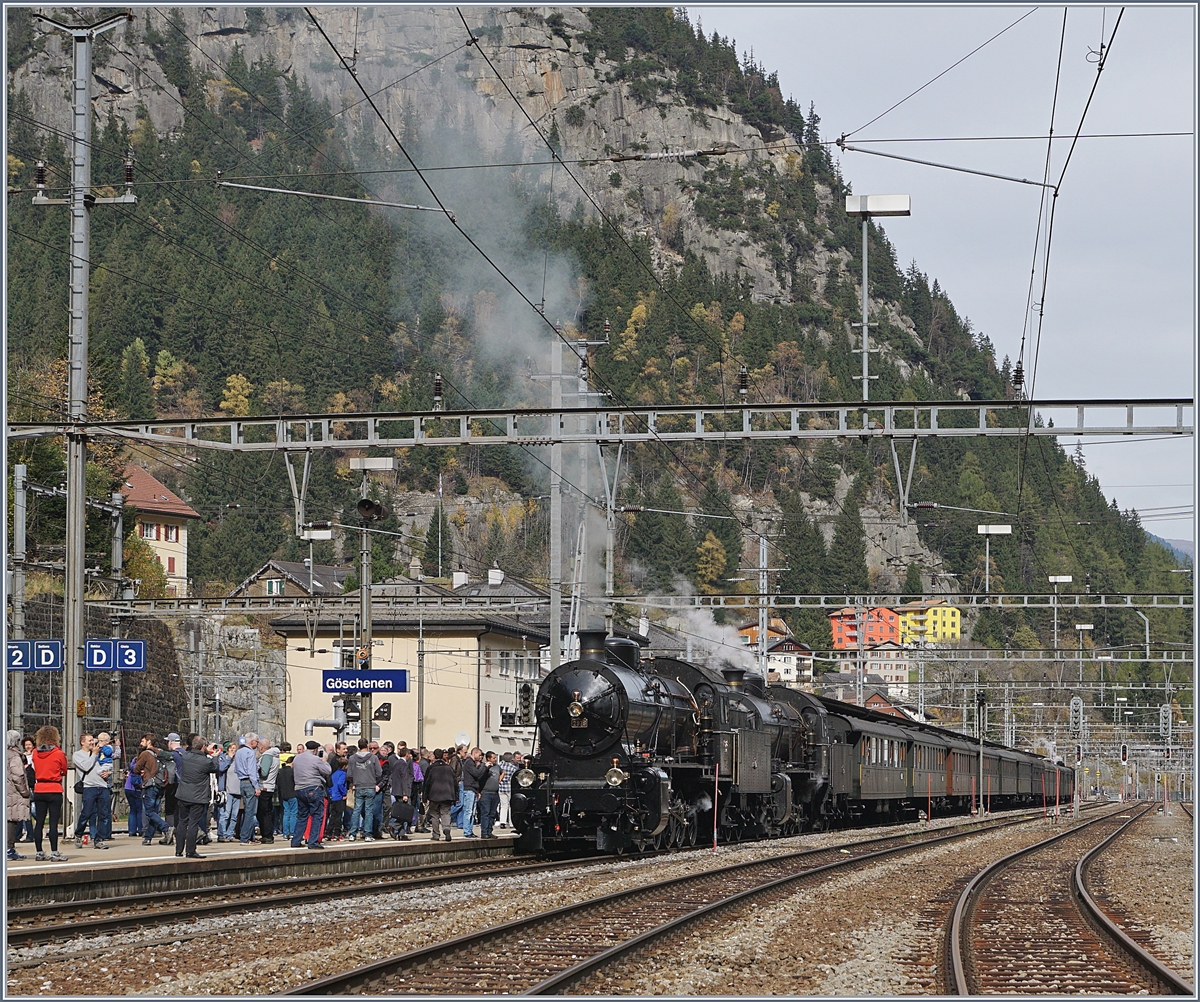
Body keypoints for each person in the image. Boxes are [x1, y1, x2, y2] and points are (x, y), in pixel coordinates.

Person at [175, 735, 219, 858]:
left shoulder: (186, 756)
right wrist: (214, 757)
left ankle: (178, 850)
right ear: (203, 747)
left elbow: (193, 752)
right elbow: (215, 768)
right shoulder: (206, 761)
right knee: (193, 824)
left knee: (182, 823)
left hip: (183, 794)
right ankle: (190, 850)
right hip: (197, 796)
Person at [31, 725, 69, 861]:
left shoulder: (35, 752)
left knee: (39, 822)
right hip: (54, 788)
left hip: (39, 788)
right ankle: (54, 852)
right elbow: (64, 770)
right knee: (53, 822)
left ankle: (39, 852)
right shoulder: (58, 753)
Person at [71, 733, 110, 849]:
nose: (92, 742)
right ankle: (79, 834)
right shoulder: (78, 755)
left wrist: (108, 772)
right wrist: (94, 755)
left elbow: (107, 765)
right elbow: (86, 767)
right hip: (89, 787)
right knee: (86, 813)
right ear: (82, 742)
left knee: (104, 814)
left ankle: (99, 839)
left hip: (103, 786)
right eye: (90, 740)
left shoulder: (100, 753)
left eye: (93, 740)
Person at [290, 740, 332, 849]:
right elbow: (327, 771)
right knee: (317, 815)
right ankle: (313, 842)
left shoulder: (297, 758)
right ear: (315, 750)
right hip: (313, 788)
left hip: (299, 788)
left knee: (302, 816)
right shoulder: (316, 759)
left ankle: (296, 840)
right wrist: (324, 760)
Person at [133, 734, 170, 844]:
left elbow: (136, 768)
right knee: (154, 813)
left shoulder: (145, 754)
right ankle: (148, 838)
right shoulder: (160, 752)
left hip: (150, 785)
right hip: (160, 784)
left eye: (143, 741)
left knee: (149, 812)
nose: (141, 743)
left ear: (149, 741)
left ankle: (166, 828)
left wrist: (141, 770)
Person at [347, 737, 381, 841]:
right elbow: (379, 773)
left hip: (358, 786)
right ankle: (368, 834)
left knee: (356, 810)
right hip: (370, 785)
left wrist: (354, 781)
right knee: (369, 811)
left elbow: (349, 774)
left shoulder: (352, 758)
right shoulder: (373, 758)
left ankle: (352, 833)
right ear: (367, 745)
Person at [7, 730, 31, 860]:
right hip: (13, 793)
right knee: (12, 820)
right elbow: (18, 776)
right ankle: (9, 849)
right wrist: (25, 792)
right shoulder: (15, 756)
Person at [423, 749, 457, 842]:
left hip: (434, 795)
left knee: (434, 814)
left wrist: (424, 797)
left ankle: (436, 834)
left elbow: (426, 783)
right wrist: (456, 797)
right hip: (447, 794)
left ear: (434, 756)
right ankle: (446, 828)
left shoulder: (431, 768)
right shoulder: (449, 768)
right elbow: (455, 783)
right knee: (446, 813)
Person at [233, 733, 261, 844]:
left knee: (246, 810)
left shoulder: (238, 752)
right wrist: (256, 787)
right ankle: (245, 838)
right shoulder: (250, 753)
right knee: (250, 812)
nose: (258, 743)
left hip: (242, 782)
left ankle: (250, 837)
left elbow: (236, 769)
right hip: (250, 783)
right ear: (252, 742)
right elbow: (251, 772)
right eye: (257, 741)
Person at [387, 745, 414, 840]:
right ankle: (394, 826)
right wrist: (406, 794)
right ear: (406, 754)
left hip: (396, 790)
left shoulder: (396, 763)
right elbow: (404, 779)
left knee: (401, 812)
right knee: (406, 813)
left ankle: (402, 834)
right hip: (402, 791)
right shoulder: (403, 764)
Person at [460, 748, 488, 838]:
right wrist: (484, 766)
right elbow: (476, 774)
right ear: (474, 753)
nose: (480, 757)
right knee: (468, 811)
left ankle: (470, 830)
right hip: (469, 789)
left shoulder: (473, 763)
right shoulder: (469, 762)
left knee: (472, 812)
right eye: (479, 755)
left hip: (474, 789)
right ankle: (467, 831)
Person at [95, 731, 117, 842]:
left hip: (106, 765)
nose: (99, 742)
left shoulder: (108, 748)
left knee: (105, 810)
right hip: (100, 766)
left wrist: (102, 747)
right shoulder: (96, 749)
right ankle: (98, 833)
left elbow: (110, 753)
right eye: (98, 740)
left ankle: (105, 833)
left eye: (102, 740)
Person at [257, 737, 280, 844]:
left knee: (263, 813)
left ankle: (267, 835)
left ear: (261, 747)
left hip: (264, 786)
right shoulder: (275, 756)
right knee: (268, 812)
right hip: (271, 786)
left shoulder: (267, 756)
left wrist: (256, 769)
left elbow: (264, 772)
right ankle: (268, 834)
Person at [479, 751, 501, 840]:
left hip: (495, 793)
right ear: (488, 759)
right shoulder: (483, 766)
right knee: (485, 813)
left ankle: (489, 831)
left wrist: (499, 780)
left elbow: (503, 772)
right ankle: (484, 832)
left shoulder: (497, 767)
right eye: (493, 758)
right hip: (486, 793)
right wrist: (486, 768)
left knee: (492, 814)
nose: (495, 759)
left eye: (496, 758)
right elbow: (480, 776)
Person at [19, 737, 36, 843]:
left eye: (29, 744)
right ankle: (29, 833)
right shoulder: (23, 756)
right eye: (26, 745)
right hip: (26, 786)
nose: (28, 747)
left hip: (34, 785)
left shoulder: (35, 755)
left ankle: (37, 828)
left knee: (34, 810)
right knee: (28, 811)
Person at [278, 748, 297, 840]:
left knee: (286, 813)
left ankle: (285, 833)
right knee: (293, 813)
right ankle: (292, 832)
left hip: (283, 794)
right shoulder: (293, 772)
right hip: (293, 794)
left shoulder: (280, 771)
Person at [327, 756, 348, 840]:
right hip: (339, 797)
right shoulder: (343, 774)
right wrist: (344, 794)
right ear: (344, 766)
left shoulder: (334, 774)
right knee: (339, 816)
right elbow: (340, 784)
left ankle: (329, 832)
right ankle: (337, 833)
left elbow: (330, 785)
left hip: (333, 796)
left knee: (333, 816)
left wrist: (331, 793)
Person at [497, 752, 518, 830]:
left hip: (501, 788)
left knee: (503, 805)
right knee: (511, 805)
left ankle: (502, 822)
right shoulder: (513, 768)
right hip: (509, 788)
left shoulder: (499, 766)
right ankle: (512, 822)